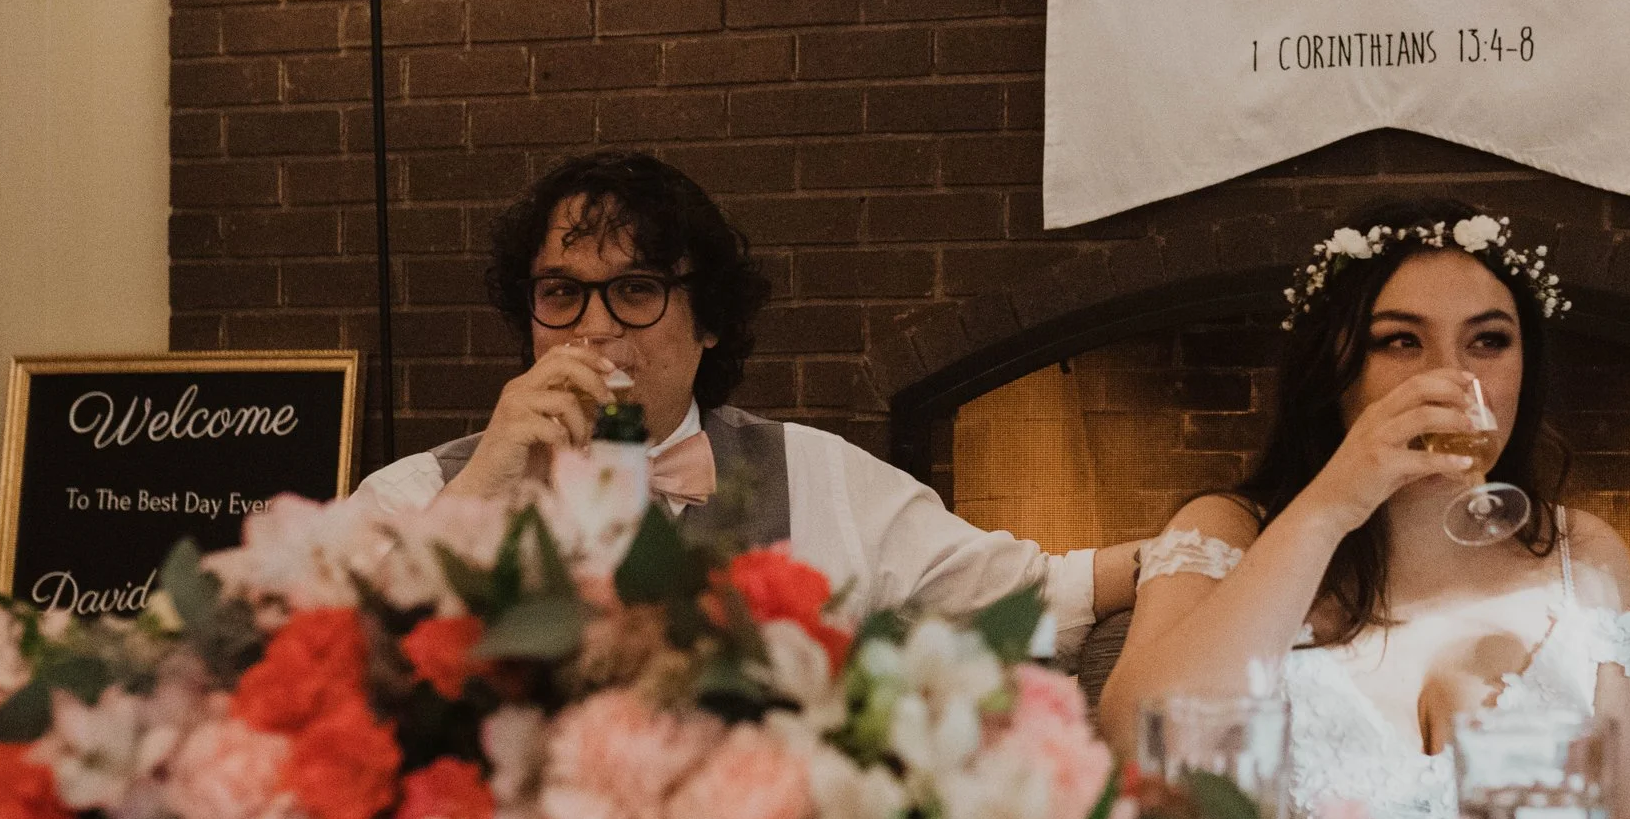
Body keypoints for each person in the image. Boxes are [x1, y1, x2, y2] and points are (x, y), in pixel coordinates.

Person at [1101, 199, 1630, 819]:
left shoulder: (1586, 556)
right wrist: (1332, 503)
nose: (1452, 376)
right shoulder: (1225, 532)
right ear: (1334, 368)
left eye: (1489, 340)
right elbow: (1136, 746)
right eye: (1401, 341)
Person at [356, 151, 1137, 647]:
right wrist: (476, 496)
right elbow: (317, 676)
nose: (593, 328)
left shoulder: (819, 476)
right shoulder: (419, 493)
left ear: (711, 325)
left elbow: (1026, 592)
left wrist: (1197, 548)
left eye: (637, 289)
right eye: (561, 293)